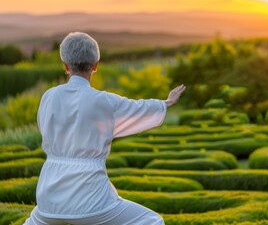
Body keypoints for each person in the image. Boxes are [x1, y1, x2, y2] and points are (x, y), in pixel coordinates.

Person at [24, 32, 186, 225]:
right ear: (96, 65)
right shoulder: (104, 101)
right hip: (91, 201)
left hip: (48, 199)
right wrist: (165, 103)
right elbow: (137, 108)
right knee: (152, 221)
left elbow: (46, 131)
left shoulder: (48, 96)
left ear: (66, 65)